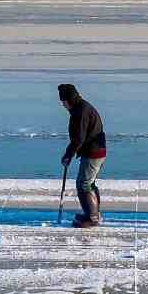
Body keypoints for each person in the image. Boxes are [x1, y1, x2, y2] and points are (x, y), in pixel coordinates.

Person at [57, 83, 107, 228]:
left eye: (63, 102)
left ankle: (92, 218)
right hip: (96, 150)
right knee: (89, 183)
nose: (63, 105)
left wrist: (68, 155)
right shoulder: (81, 107)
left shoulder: (80, 112)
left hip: (93, 152)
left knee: (84, 184)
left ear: (68, 100)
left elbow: (78, 138)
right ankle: (95, 214)